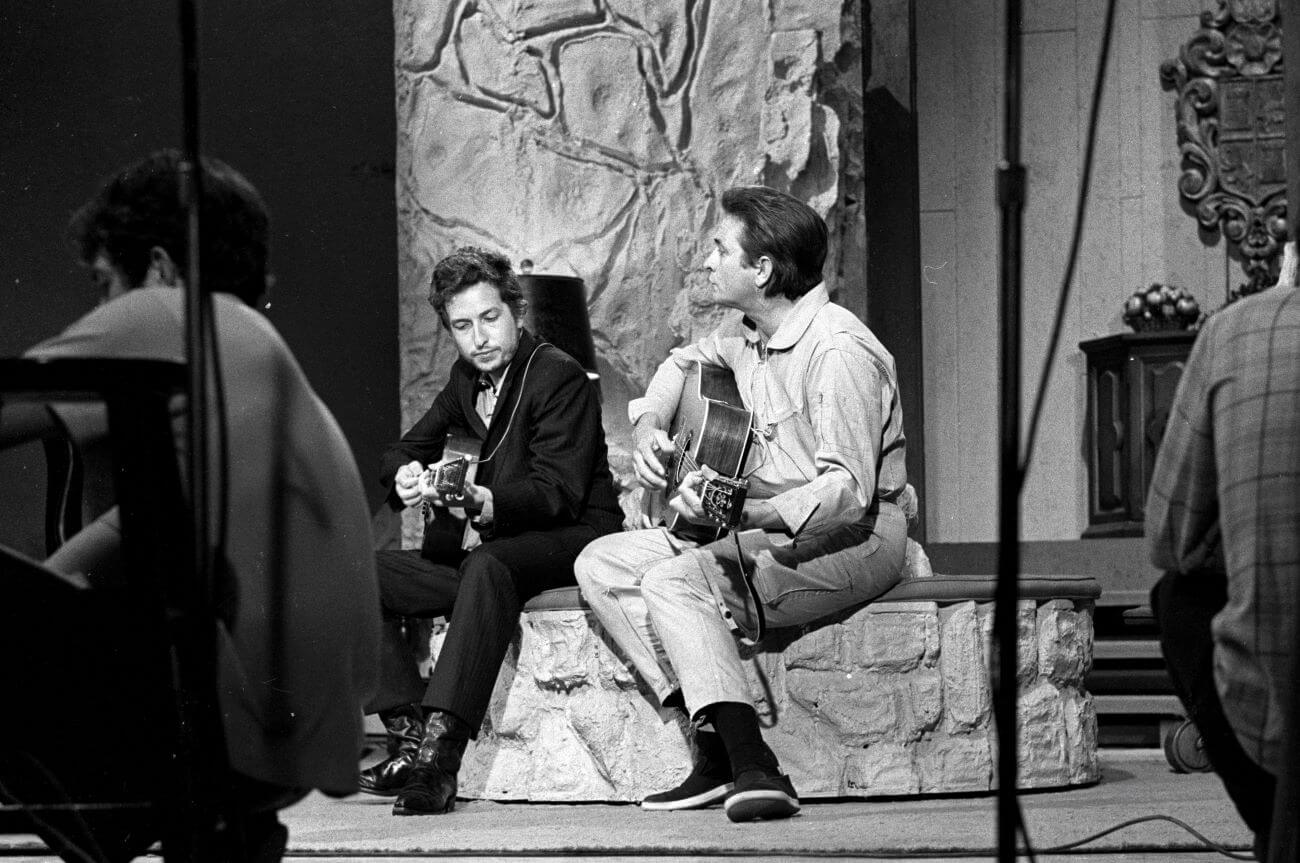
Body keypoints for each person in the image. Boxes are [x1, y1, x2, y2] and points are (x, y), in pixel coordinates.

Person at [0, 150, 381, 862]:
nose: (103, 309)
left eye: (104, 285)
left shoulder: (162, 311)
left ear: (159, 266)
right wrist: (49, 582)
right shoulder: (252, 343)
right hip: (301, 728)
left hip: (219, 717)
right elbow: (161, 513)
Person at [573, 185, 915, 822]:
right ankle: (718, 742)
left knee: (678, 580)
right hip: (754, 525)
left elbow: (847, 491)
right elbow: (681, 364)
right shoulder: (744, 328)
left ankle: (755, 764)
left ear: (761, 269)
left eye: (718, 248)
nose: (707, 260)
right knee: (600, 564)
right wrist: (649, 427)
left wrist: (749, 517)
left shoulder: (838, 352)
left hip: (854, 537)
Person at [360, 246, 623, 816]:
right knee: (358, 575)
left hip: (575, 536)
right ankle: (407, 737)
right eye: (462, 325)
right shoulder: (464, 380)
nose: (478, 337)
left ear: (515, 312)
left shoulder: (558, 374)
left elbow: (558, 493)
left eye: (489, 318)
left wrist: (483, 500)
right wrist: (404, 473)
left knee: (487, 562)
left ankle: (438, 760)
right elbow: (405, 446)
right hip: (501, 549)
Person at [1145, 261, 1299, 862]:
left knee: (1178, 599)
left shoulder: (1237, 331)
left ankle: (1276, 827)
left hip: (1277, 746)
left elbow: (1167, 541)